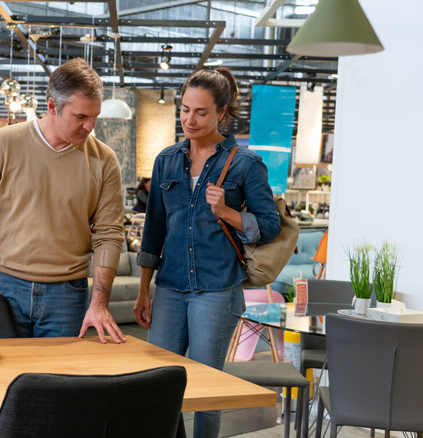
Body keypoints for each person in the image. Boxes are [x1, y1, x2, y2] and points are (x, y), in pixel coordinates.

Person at [133, 67, 281, 437]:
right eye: (184, 109)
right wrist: (143, 290)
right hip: (169, 287)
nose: (189, 119)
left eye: (200, 112)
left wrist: (228, 212)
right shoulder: (167, 160)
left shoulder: (246, 163)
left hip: (217, 290)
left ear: (222, 113)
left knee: (205, 387)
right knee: (156, 382)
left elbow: (270, 226)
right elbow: (154, 231)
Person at [0, 58, 127, 344]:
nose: (90, 126)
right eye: (80, 117)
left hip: (67, 294)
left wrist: (99, 303)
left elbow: (108, 235)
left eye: (95, 116)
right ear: (53, 106)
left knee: (57, 382)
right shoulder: (3, 143)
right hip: (3, 286)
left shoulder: (104, 160)